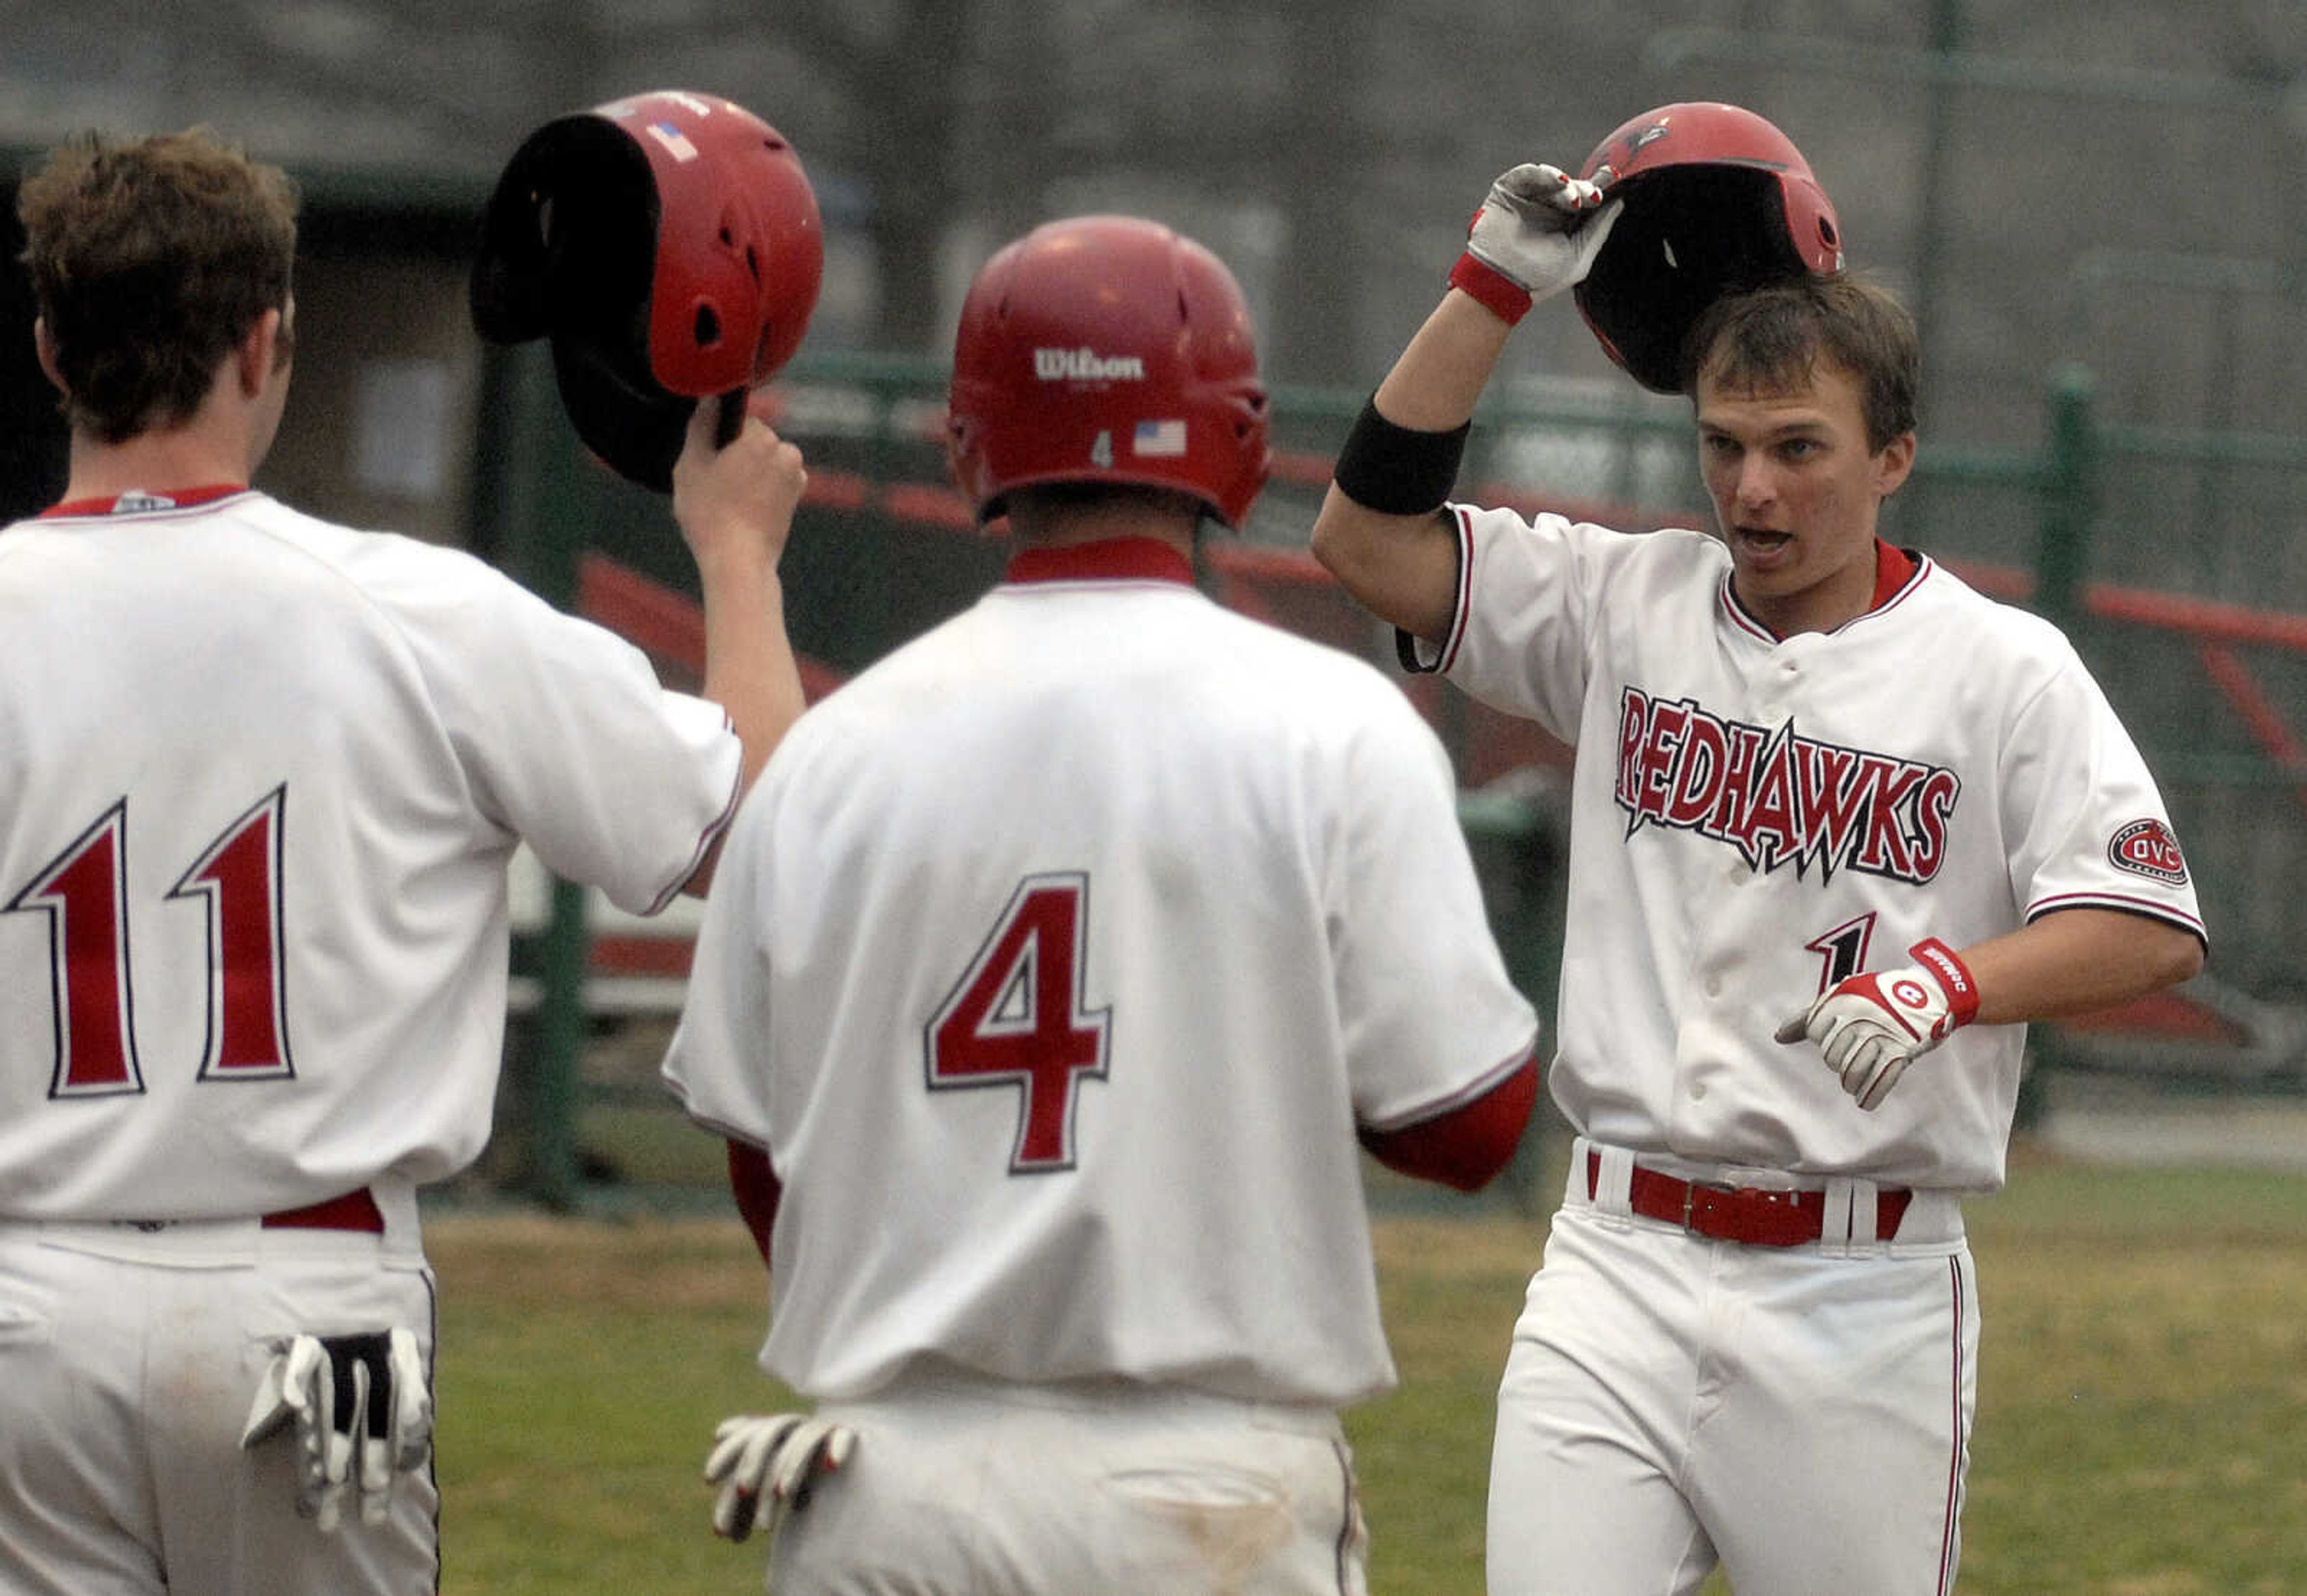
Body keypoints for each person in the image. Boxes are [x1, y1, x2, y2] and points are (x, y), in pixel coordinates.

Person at [1308, 150, 2208, 1595]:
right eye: (1724, 444)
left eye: (1799, 447)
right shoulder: (1625, 601)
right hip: (1614, 1262)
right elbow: (1363, 539)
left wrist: (1949, 985)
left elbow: (2147, 925)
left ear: (1893, 457)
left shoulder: (2001, 670)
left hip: (1863, 1291)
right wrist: (1488, 291)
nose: (1753, 484)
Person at [660, 213, 1542, 1594]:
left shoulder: (835, 751)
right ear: (1240, 445)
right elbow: (1470, 1126)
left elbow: (766, 1159)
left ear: (967, 450)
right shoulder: (1333, 725)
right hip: (1205, 1494)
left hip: (888, 1485)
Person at [0, 126, 809, 1596]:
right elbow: (769, 823)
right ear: (266, 345)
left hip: (24, 1313)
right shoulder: (418, 613)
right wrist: (738, 552)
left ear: (53, 351)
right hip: (317, 1309)